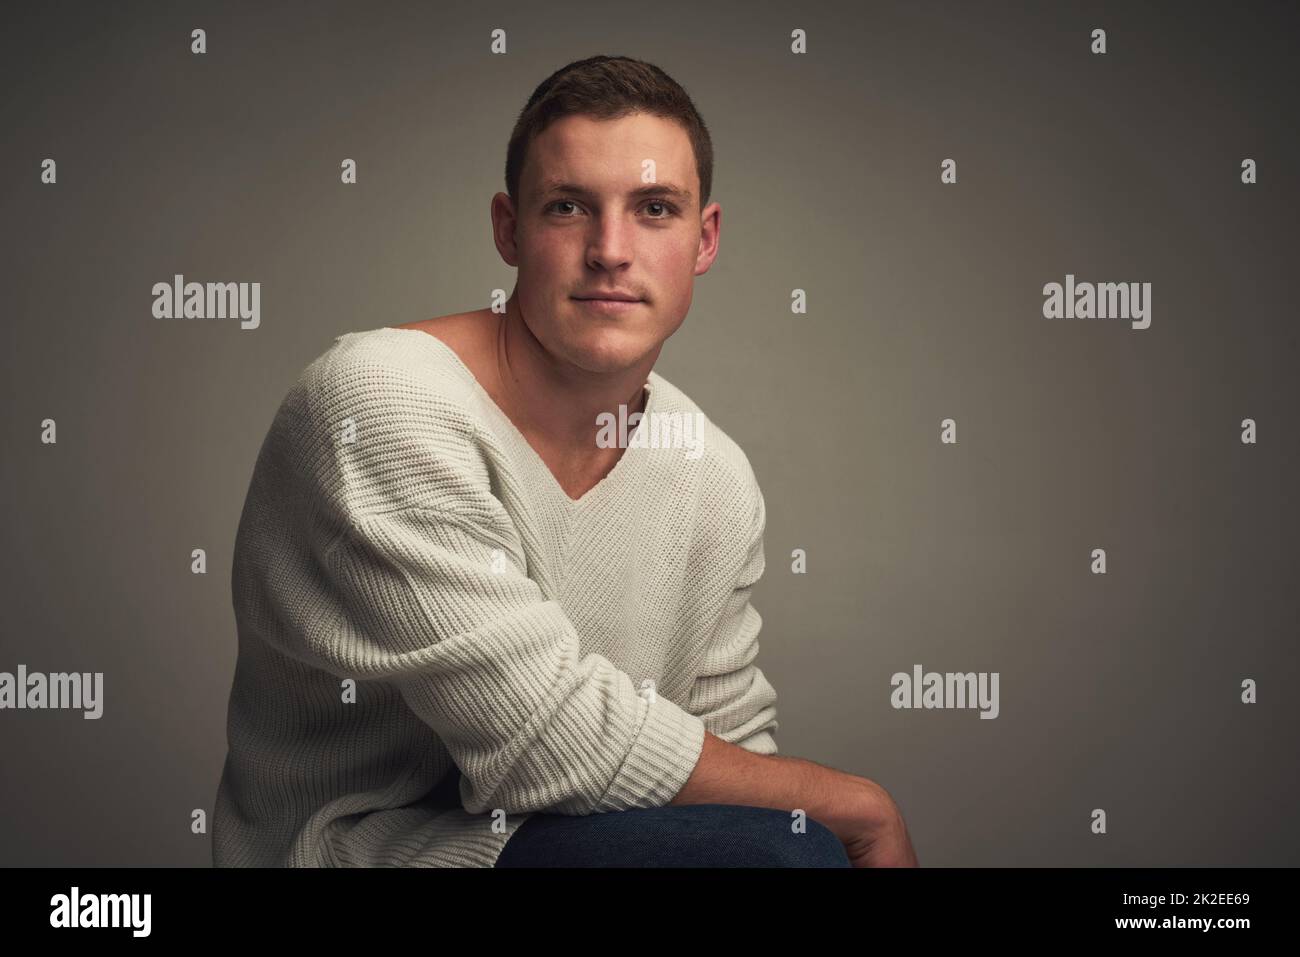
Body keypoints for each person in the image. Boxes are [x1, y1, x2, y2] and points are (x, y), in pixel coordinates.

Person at [212, 54, 918, 868]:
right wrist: (860, 807)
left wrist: (817, 819)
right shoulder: (379, 403)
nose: (610, 250)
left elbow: (735, 757)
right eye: (569, 207)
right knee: (786, 852)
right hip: (368, 853)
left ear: (705, 239)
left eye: (655, 209)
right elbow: (536, 741)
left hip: (579, 841)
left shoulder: (710, 471)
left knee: (788, 842)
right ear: (510, 229)